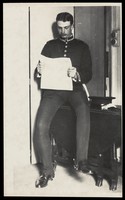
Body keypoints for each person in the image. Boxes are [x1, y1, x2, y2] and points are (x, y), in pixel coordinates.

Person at [34, 12, 92, 188]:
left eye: (66, 27)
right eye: (59, 27)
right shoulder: (49, 45)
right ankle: (46, 172)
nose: (63, 31)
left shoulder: (82, 47)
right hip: (53, 91)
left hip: (75, 90)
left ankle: (81, 161)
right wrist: (39, 71)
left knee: (84, 110)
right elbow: (40, 70)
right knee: (40, 126)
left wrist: (78, 75)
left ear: (72, 26)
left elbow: (89, 74)